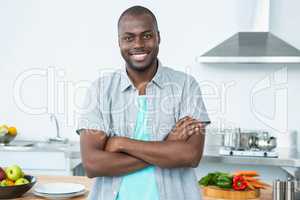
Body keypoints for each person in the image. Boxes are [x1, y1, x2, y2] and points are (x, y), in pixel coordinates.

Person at [78, 5, 210, 200]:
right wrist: (166, 147)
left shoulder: (185, 86)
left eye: (146, 35)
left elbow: (190, 155)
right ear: (119, 42)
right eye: (129, 37)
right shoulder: (100, 90)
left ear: (158, 37)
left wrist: (120, 143)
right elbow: (92, 164)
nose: (138, 44)